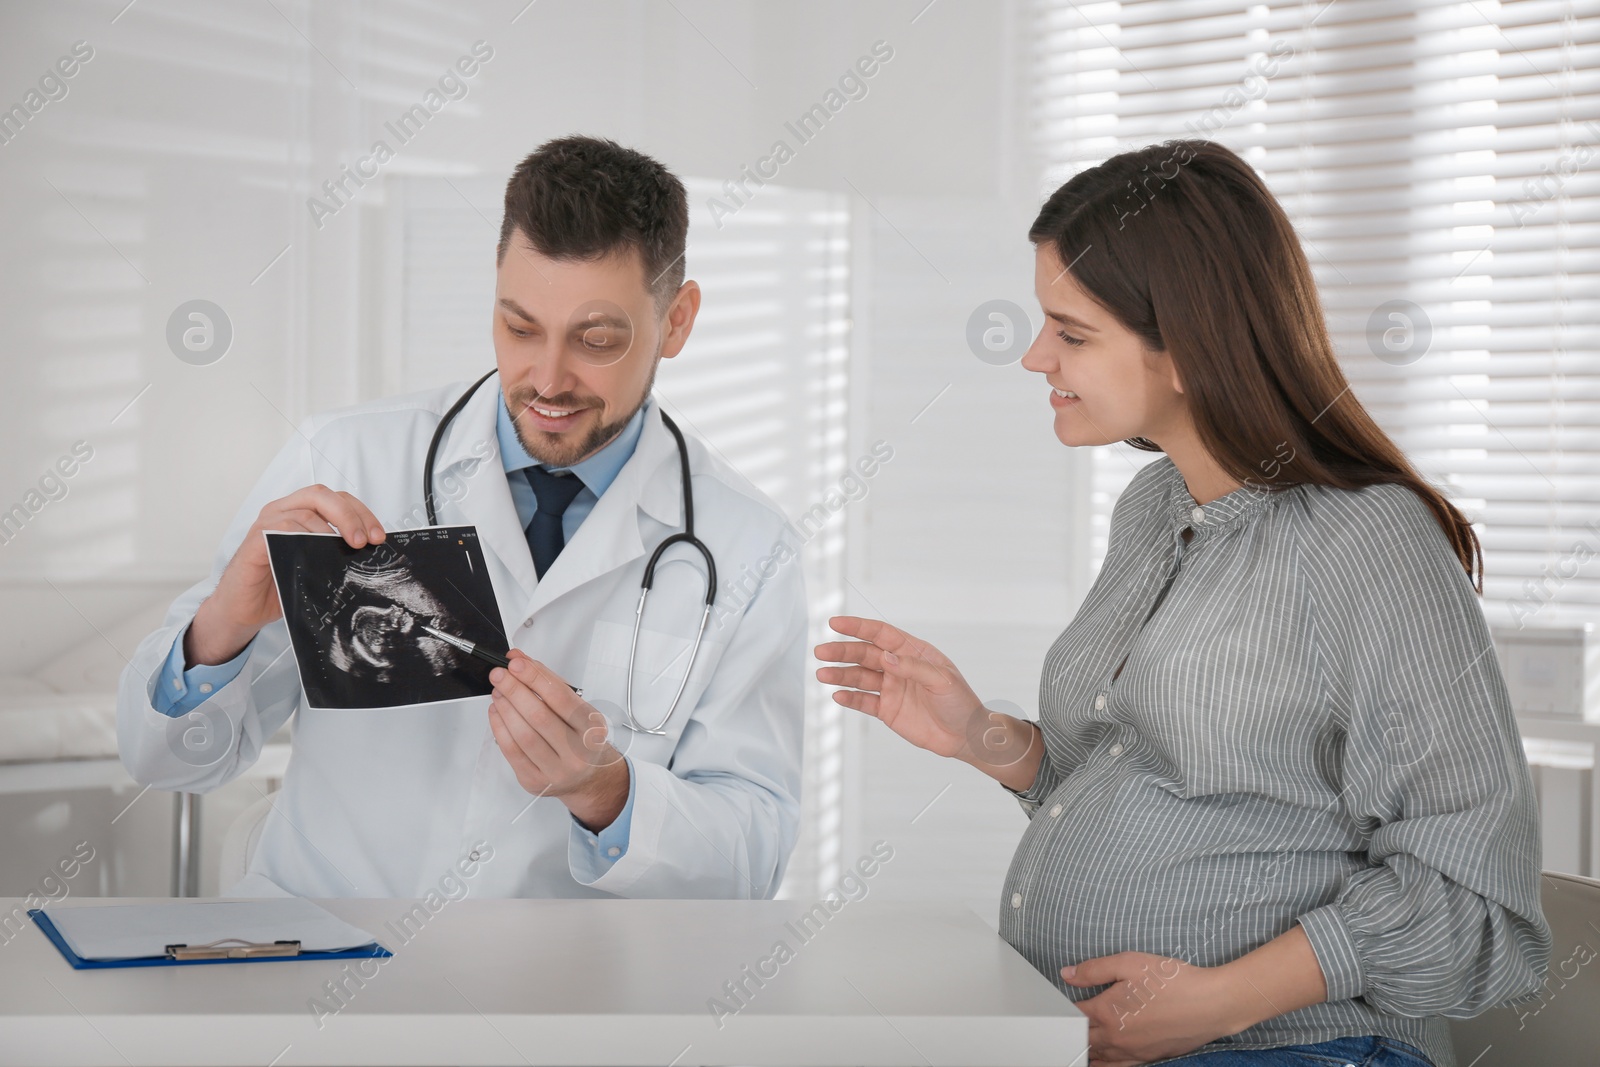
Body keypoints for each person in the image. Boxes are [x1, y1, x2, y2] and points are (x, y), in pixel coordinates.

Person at [815, 140, 1549, 1067]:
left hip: (1308, 1050)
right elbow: (1159, 786)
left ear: (1190, 347)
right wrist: (981, 736)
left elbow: (1476, 902)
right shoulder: (1156, 508)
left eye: (1071, 332)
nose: (1036, 355)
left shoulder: (1368, 542)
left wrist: (1215, 1002)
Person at [117, 135, 806, 899]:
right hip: (326, 966)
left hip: (565, 988)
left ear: (676, 321)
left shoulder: (747, 545)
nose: (547, 378)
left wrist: (607, 793)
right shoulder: (346, 460)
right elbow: (169, 760)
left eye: (597, 339)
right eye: (519, 327)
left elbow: (757, 855)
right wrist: (223, 625)